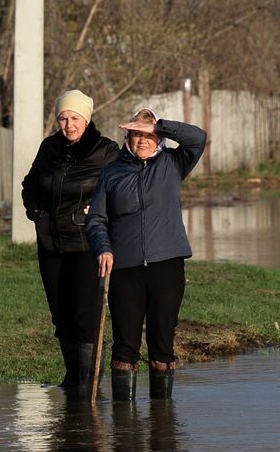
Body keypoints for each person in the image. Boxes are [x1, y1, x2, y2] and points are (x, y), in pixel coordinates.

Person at [86, 107, 207, 400]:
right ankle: (125, 429)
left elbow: (198, 138)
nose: (142, 140)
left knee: (162, 340)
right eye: (136, 134)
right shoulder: (112, 172)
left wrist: (161, 125)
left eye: (148, 135)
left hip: (166, 264)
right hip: (124, 267)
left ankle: (161, 424)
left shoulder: (173, 164)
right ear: (127, 137)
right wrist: (103, 248)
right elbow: (96, 219)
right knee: (125, 344)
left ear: (159, 137)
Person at [21, 89, 120, 395]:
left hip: (86, 243)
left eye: (74, 118)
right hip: (51, 242)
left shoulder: (106, 151)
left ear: (86, 119)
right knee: (60, 312)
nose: (68, 124)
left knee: (84, 314)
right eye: (63, 118)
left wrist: (102, 208)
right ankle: (73, 376)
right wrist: (36, 211)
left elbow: (121, 188)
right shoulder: (49, 148)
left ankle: (89, 381)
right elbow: (30, 184)